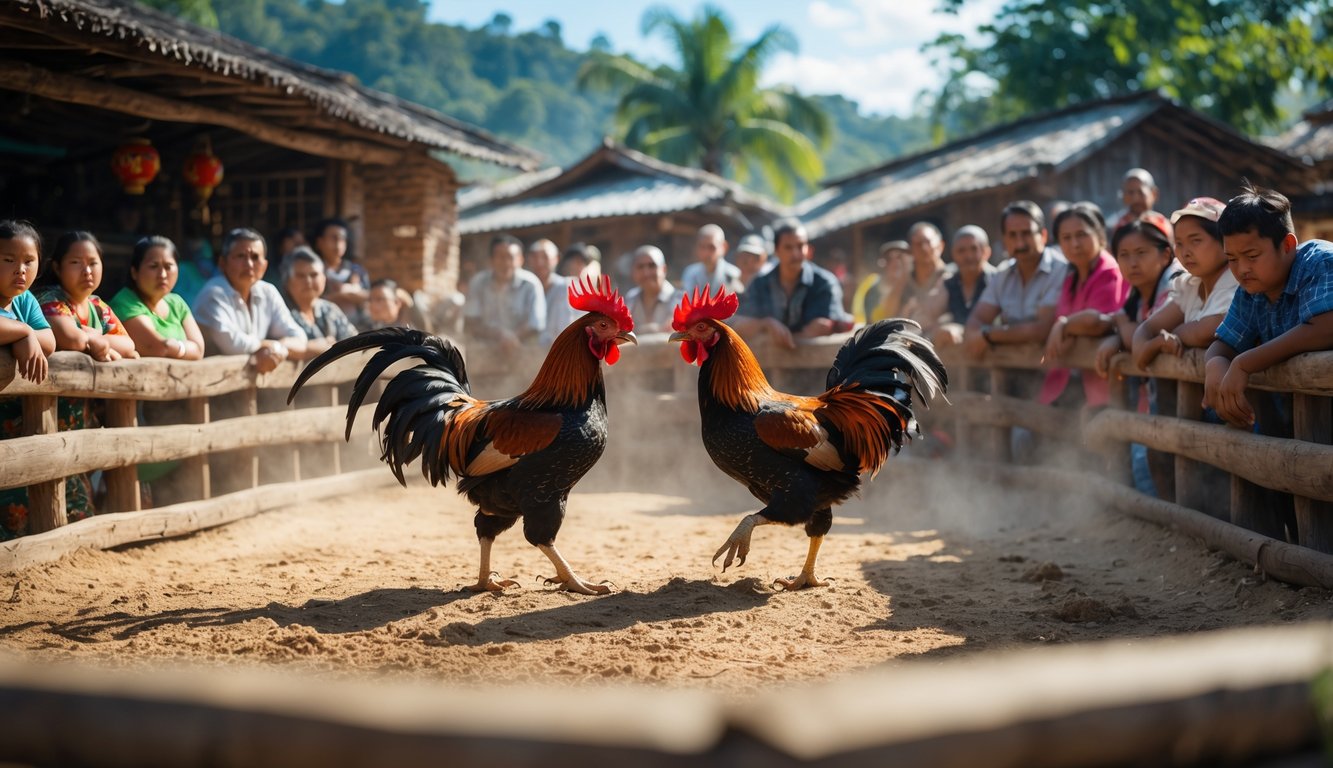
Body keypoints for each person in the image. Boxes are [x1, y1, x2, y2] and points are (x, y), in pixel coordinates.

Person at [1204, 184, 1333, 429]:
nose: (1241, 269)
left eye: (1252, 256)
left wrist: (1244, 363)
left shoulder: (1321, 261)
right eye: (1231, 259)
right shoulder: (1250, 291)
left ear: (1287, 246)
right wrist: (1214, 364)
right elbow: (1223, 344)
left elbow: (1326, 326)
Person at [1131, 197, 1238, 370]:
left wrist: (1174, 334)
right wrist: (1153, 345)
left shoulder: (1236, 282)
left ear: (1225, 241)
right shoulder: (1190, 286)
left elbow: (1212, 329)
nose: (1185, 252)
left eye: (1195, 240)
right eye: (1179, 243)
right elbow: (1145, 331)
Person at [1040, 203, 1129, 409]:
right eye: (1066, 238)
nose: (1075, 244)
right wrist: (1069, 328)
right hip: (1071, 383)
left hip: (1106, 385)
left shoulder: (1109, 271)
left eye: (1081, 235)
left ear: (1099, 235)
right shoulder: (1071, 278)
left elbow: (1097, 323)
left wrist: (1063, 326)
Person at [0, 221, 57, 539]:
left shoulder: (24, 301)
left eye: (28, 261)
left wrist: (28, 335)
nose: (20, 270)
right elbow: (35, 334)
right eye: (8, 260)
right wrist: (22, 332)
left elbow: (48, 340)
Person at [964, 200, 1068, 362]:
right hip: (1010, 374)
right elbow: (975, 322)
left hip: (1054, 371)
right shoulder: (1003, 273)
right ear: (1004, 240)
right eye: (1012, 235)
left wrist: (988, 334)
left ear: (1044, 236)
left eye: (1026, 233)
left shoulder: (1060, 269)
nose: (1020, 243)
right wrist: (981, 333)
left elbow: (1042, 329)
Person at [193, 227, 307, 373]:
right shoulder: (212, 294)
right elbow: (233, 344)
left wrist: (279, 347)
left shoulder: (267, 291)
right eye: (240, 256)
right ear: (222, 263)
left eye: (255, 257)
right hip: (208, 384)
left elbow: (299, 338)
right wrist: (270, 346)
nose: (249, 265)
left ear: (264, 266)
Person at [733, 220, 853, 349]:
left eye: (800, 246)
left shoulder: (825, 283)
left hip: (819, 365)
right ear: (776, 251)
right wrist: (765, 324)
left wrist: (787, 338)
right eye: (788, 247)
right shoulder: (760, 284)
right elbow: (739, 325)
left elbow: (825, 326)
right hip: (769, 365)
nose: (795, 254)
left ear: (808, 249)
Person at [38, 231, 138, 363]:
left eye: (93, 263)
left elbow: (128, 344)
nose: (87, 271)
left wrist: (93, 338)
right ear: (57, 268)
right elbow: (73, 340)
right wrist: (97, 342)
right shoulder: (50, 300)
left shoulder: (97, 305)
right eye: (75, 262)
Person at [110, 236, 206, 360]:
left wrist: (175, 347)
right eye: (154, 266)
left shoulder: (176, 303)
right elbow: (158, 347)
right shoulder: (125, 302)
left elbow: (199, 350)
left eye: (168, 266)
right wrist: (184, 348)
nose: (162, 274)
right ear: (134, 272)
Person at [917, 225, 996, 348]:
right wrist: (936, 331)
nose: (968, 256)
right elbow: (923, 318)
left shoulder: (997, 280)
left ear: (986, 252)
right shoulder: (949, 283)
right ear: (953, 254)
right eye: (961, 251)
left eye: (974, 249)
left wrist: (961, 331)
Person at [465, 234, 545, 353]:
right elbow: (471, 321)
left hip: (522, 351)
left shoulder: (531, 284)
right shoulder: (478, 283)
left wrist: (512, 338)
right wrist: (499, 335)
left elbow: (535, 324)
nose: (506, 263)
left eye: (510, 257)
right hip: (485, 352)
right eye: (501, 257)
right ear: (491, 260)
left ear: (520, 260)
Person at [281, 245, 356, 359]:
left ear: (324, 279)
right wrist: (321, 347)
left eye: (314, 275)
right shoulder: (280, 312)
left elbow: (355, 344)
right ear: (287, 281)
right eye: (301, 276)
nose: (308, 281)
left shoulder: (330, 309)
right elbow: (280, 346)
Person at [311, 218, 369, 325]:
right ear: (319, 242)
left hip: (358, 327)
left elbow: (370, 298)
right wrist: (343, 295)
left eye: (342, 239)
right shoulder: (312, 270)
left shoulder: (356, 270)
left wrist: (346, 291)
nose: (338, 243)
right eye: (333, 238)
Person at [526, 238, 577, 346]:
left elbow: (562, 331)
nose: (539, 262)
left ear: (556, 259)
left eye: (545, 257)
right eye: (535, 257)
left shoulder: (564, 287)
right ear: (529, 260)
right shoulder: (525, 288)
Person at [851, 240, 913, 325]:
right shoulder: (873, 287)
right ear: (883, 263)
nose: (896, 262)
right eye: (890, 259)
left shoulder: (916, 284)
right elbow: (875, 321)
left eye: (900, 257)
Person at [624, 245, 681, 334]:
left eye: (652, 266)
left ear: (664, 269)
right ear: (633, 272)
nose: (646, 273)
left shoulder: (680, 300)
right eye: (640, 267)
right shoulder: (630, 299)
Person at [681, 224, 744, 295]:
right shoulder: (690, 273)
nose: (706, 252)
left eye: (711, 247)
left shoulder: (733, 274)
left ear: (724, 247)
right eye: (702, 247)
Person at [903, 222, 950, 310]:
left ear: (941, 245)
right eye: (918, 244)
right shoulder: (905, 283)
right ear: (910, 249)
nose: (924, 248)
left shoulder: (953, 278)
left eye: (928, 242)